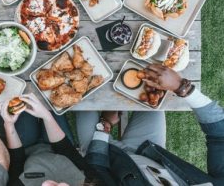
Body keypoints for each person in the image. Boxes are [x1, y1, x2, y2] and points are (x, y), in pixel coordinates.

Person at [77, 64, 224, 185]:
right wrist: (181, 87)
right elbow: (220, 137)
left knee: (80, 97)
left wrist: (105, 125)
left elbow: (97, 169)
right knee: (152, 94)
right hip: (147, 151)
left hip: (105, 157)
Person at [0, 93, 103, 186]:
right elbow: (66, 150)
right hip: (58, 148)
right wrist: (46, 116)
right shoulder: (90, 181)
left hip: (25, 148)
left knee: (19, 96)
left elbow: (16, 160)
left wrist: (9, 124)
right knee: (51, 97)